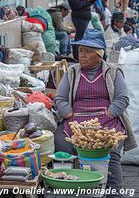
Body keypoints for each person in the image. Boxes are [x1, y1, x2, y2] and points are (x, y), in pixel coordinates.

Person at [54, 29, 137, 198]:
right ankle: (68, 188)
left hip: (107, 122)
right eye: (80, 51)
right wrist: (68, 113)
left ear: (99, 55)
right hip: (76, 122)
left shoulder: (113, 72)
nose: (82, 55)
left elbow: (122, 98)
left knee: (111, 151)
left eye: (88, 51)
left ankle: (114, 193)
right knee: (63, 145)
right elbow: (60, 98)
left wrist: (110, 113)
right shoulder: (72, 72)